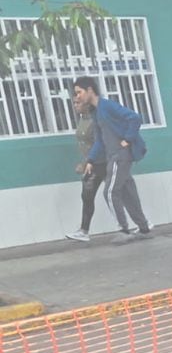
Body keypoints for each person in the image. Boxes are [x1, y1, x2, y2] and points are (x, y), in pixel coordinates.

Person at [73, 76, 153, 241]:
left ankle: (123, 230)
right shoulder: (96, 113)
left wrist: (128, 139)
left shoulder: (107, 106)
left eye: (79, 92)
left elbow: (135, 117)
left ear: (90, 90)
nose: (77, 97)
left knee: (109, 192)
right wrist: (90, 160)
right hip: (112, 156)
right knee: (127, 193)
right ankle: (144, 228)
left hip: (119, 156)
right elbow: (99, 140)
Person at [64, 94, 105, 242]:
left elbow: (98, 143)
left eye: (77, 103)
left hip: (99, 162)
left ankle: (139, 223)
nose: (75, 105)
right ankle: (84, 230)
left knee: (116, 194)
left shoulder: (95, 121)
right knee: (87, 196)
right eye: (74, 103)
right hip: (90, 162)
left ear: (87, 105)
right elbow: (85, 144)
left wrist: (88, 162)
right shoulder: (83, 119)